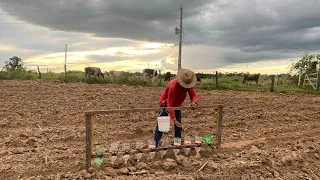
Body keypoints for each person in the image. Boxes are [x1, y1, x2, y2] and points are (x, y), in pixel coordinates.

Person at [153, 69, 199, 147]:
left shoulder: (187, 84)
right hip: (165, 104)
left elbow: (193, 94)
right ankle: (155, 144)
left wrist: (194, 101)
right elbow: (170, 104)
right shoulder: (173, 86)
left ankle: (177, 144)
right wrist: (173, 119)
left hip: (177, 105)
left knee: (178, 125)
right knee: (161, 125)